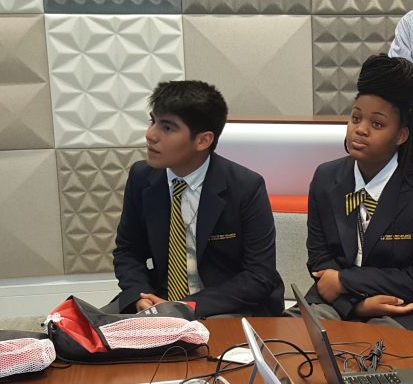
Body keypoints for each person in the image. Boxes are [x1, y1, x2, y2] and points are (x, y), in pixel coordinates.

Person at [299, 54, 413, 339]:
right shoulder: (326, 178)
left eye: (376, 124)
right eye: (356, 117)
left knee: (376, 349)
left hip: (410, 307)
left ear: (401, 135)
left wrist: (345, 280)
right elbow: (320, 260)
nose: (359, 129)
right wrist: (357, 305)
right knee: (293, 338)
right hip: (339, 303)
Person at [110, 80, 284, 317]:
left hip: (222, 305)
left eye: (168, 127)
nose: (151, 135)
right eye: (153, 121)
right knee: (87, 334)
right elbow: (128, 251)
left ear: (203, 140)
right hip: (158, 298)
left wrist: (184, 307)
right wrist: (139, 295)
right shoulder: (142, 177)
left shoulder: (245, 186)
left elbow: (258, 276)